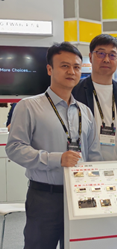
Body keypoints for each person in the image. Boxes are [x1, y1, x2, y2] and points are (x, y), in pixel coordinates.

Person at [6, 42, 102, 249]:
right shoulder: (29, 106)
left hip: (80, 196)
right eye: (64, 66)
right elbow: (14, 148)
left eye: (76, 67)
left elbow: (93, 154)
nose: (71, 72)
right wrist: (56, 159)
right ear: (50, 69)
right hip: (45, 197)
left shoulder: (85, 111)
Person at [72, 34, 117, 160]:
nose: (106, 59)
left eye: (112, 55)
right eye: (101, 53)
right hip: (86, 166)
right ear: (90, 57)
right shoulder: (75, 91)